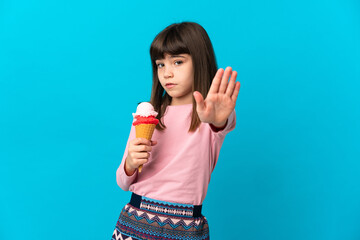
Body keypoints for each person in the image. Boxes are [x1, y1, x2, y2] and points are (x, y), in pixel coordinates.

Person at [112, 22, 240, 240]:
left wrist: (218, 118)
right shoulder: (149, 116)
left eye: (177, 62)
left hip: (185, 226)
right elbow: (123, 182)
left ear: (200, 62)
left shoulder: (210, 117)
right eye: (160, 65)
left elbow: (222, 121)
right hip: (135, 220)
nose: (167, 73)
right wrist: (130, 165)